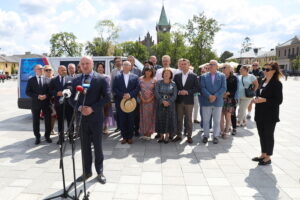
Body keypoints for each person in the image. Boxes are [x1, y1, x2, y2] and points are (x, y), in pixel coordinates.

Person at [69, 56, 110, 184]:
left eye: (87, 63)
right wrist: (80, 107)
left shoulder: (102, 79)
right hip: (81, 118)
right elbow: (71, 98)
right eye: (82, 64)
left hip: (96, 118)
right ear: (79, 66)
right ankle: (87, 172)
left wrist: (92, 108)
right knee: (84, 147)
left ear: (92, 64)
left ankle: (100, 171)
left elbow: (107, 97)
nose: (85, 66)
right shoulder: (75, 80)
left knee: (98, 146)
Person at [252, 62, 283, 165]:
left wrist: (264, 100)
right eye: (264, 69)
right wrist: (255, 99)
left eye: (267, 69)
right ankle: (263, 154)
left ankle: (268, 157)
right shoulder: (262, 81)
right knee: (261, 134)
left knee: (268, 135)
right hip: (259, 113)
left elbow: (278, 101)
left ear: (273, 71)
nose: (265, 71)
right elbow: (258, 94)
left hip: (270, 115)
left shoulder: (277, 84)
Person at [113, 61, 140, 144]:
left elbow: (137, 88)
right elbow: (114, 88)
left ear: (130, 67)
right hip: (120, 101)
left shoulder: (135, 77)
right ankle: (124, 137)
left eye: (127, 65)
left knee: (131, 120)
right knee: (122, 119)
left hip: (131, 102)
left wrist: (130, 95)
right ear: (122, 66)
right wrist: (122, 95)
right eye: (124, 65)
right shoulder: (117, 77)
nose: (125, 66)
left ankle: (130, 137)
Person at [173, 59, 199, 144]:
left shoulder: (194, 76)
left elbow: (197, 88)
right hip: (179, 101)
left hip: (189, 101)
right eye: (182, 64)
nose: (183, 65)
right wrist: (179, 92)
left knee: (188, 119)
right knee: (179, 119)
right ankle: (178, 135)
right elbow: (174, 87)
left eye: (185, 64)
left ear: (189, 65)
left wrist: (187, 92)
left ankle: (189, 136)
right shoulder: (177, 76)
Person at [201, 60, 226, 144]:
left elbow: (223, 88)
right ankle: (205, 135)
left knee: (217, 120)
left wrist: (215, 96)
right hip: (206, 101)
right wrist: (209, 96)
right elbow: (202, 88)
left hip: (217, 101)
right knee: (205, 120)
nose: (211, 66)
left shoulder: (222, 76)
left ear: (217, 66)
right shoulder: (204, 76)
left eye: (213, 64)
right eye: (210, 64)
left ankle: (215, 136)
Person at [26, 64, 52, 144]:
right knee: (36, 121)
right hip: (36, 104)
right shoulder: (31, 80)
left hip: (46, 103)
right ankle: (37, 137)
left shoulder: (47, 79)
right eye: (39, 69)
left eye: (42, 68)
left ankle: (47, 136)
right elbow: (28, 92)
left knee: (48, 121)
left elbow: (51, 92)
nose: (41, 70)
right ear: (35, 70)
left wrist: (46, 96)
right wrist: (37, 96)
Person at [49, 65, 74, 144]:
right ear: (58, 71)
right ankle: (61, 138)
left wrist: (69, 91)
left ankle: (71, 137)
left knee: (70, 121)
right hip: (59, 105)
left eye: (65, 70)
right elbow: (50, 91)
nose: (64, 71)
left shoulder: (70, 79)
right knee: (60, 121)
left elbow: (73, 89)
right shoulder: (53, 80)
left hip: (69, 104)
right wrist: (56, 93)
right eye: (62, 70)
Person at [155, 68, 177, 143]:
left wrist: (169, 101)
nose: (166, 74)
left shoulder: (173, 83)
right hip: (160, 104)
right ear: (163, 74)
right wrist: (162, 101)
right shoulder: (158, 83)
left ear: (171, 75)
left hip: (170, 105)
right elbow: (156, 93)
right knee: (160, 119)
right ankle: (161, 136)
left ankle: (167, 136)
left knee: (169, 119)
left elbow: (175, 94)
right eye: (165, 73)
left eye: (168, 73)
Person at [220, 63, 238, 138]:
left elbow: (234, 89)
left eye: (225, 67)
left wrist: (227, 94)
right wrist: (221, 94)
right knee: (220, 116)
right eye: (222, 67)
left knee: (228, 116)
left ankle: (226, 131)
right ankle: (222, 131)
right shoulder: (220, 77)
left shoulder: (234, 78)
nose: (223, 69)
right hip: (220, 99)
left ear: (230, 69)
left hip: (229, 99)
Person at [139, 65, 156, 140]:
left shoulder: (154, 80)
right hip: (142, 101)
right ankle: (144, 132)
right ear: (144, 71)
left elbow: (155, 92)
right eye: (146, 70)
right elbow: (138, 90)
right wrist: (142, 98)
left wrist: (150, 99)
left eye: (149, 70)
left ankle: (149, 132)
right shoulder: (140, 79)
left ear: (152, 71)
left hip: (151, 102)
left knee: (150, 116)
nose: (148, 72)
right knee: (143, 116)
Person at [97, 63, 115, 134]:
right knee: (98, 114)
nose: (100, 68)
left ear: (103, 68)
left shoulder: (107, 77)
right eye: (99, 67)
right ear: (97, 68)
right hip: (97, 98)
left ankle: (105, 128)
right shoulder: (94, 76)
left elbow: (110, 87)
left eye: (101, 67)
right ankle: (98, 128)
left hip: (105, 98)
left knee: (106, 113)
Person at [127, 55, 142, 136]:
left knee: (136, 115)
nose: (130, 62)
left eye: (131, 60)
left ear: (134, 62)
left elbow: (139, 85)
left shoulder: (138, 71)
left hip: (135, 96)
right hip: (126, 97)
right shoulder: (123, 71)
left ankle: (136, 129)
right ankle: (129, 130)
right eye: (128, 60)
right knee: (128, 114)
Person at [110, 56, 123, 133]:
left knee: (124, 111)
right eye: (116, 61)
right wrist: (112, 94)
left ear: (121, 62)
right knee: (118, 112)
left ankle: (124, 126)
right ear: (115, 63)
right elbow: (111, 83)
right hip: (117, 95)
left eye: (119, 61)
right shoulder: (113, 71)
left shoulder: (125, 69)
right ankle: (118, 127)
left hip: (125, 95)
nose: (118, 62)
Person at [44, 65, 57, 135]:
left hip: (54, 100)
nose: (48, 71)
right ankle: (48, 131)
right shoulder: (43, 79)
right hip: (46, 100)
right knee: (47, 117)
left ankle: (51, 129)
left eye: (50, 70)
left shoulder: (55, 79)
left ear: (52, 71)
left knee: (54, 116)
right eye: (46, 70)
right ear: (44, 72)